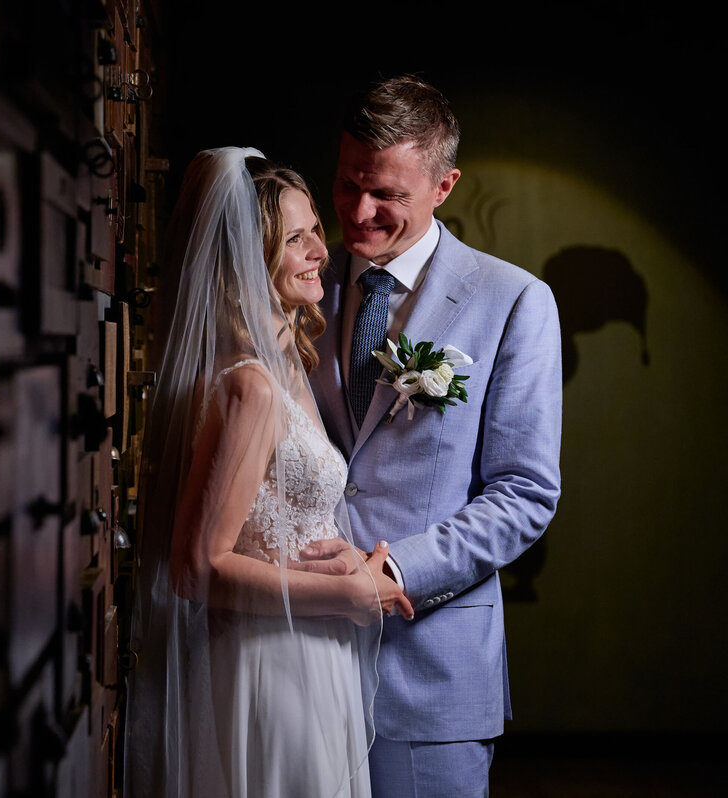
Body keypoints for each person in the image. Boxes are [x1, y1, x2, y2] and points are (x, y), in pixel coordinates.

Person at [303, 75, 563, 797]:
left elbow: (526, 493)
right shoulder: (296, 289)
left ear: (444, 186)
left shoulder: (512, 302)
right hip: (296, 658)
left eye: (387, 194)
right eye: (348, 184)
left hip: (429, 667)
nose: (359, 211)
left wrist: (394, 574)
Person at [125, 147, 412, 798]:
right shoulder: (249, 388)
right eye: (296, 239)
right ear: (248, 260)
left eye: (317, 230)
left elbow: (279, 521)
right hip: (268, 668)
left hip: (315, 655)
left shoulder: (288, 369)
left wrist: (347, 562)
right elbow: (197, 567)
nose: (320, 250)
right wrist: (352, 594)